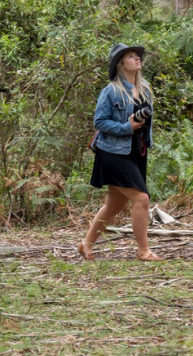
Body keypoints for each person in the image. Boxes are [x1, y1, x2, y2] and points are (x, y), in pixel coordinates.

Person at [77, 43, 162, 261]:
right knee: (142, 199)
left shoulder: (145, 88)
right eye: (131, 56)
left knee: (115, 204)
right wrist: (126, 127)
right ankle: (143, 250)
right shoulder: (111, 91)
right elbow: (99, 121)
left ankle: (86, 244)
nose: (137, 59)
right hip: (114, 152)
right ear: (120, 64)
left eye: (137, 56)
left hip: (136, 153)